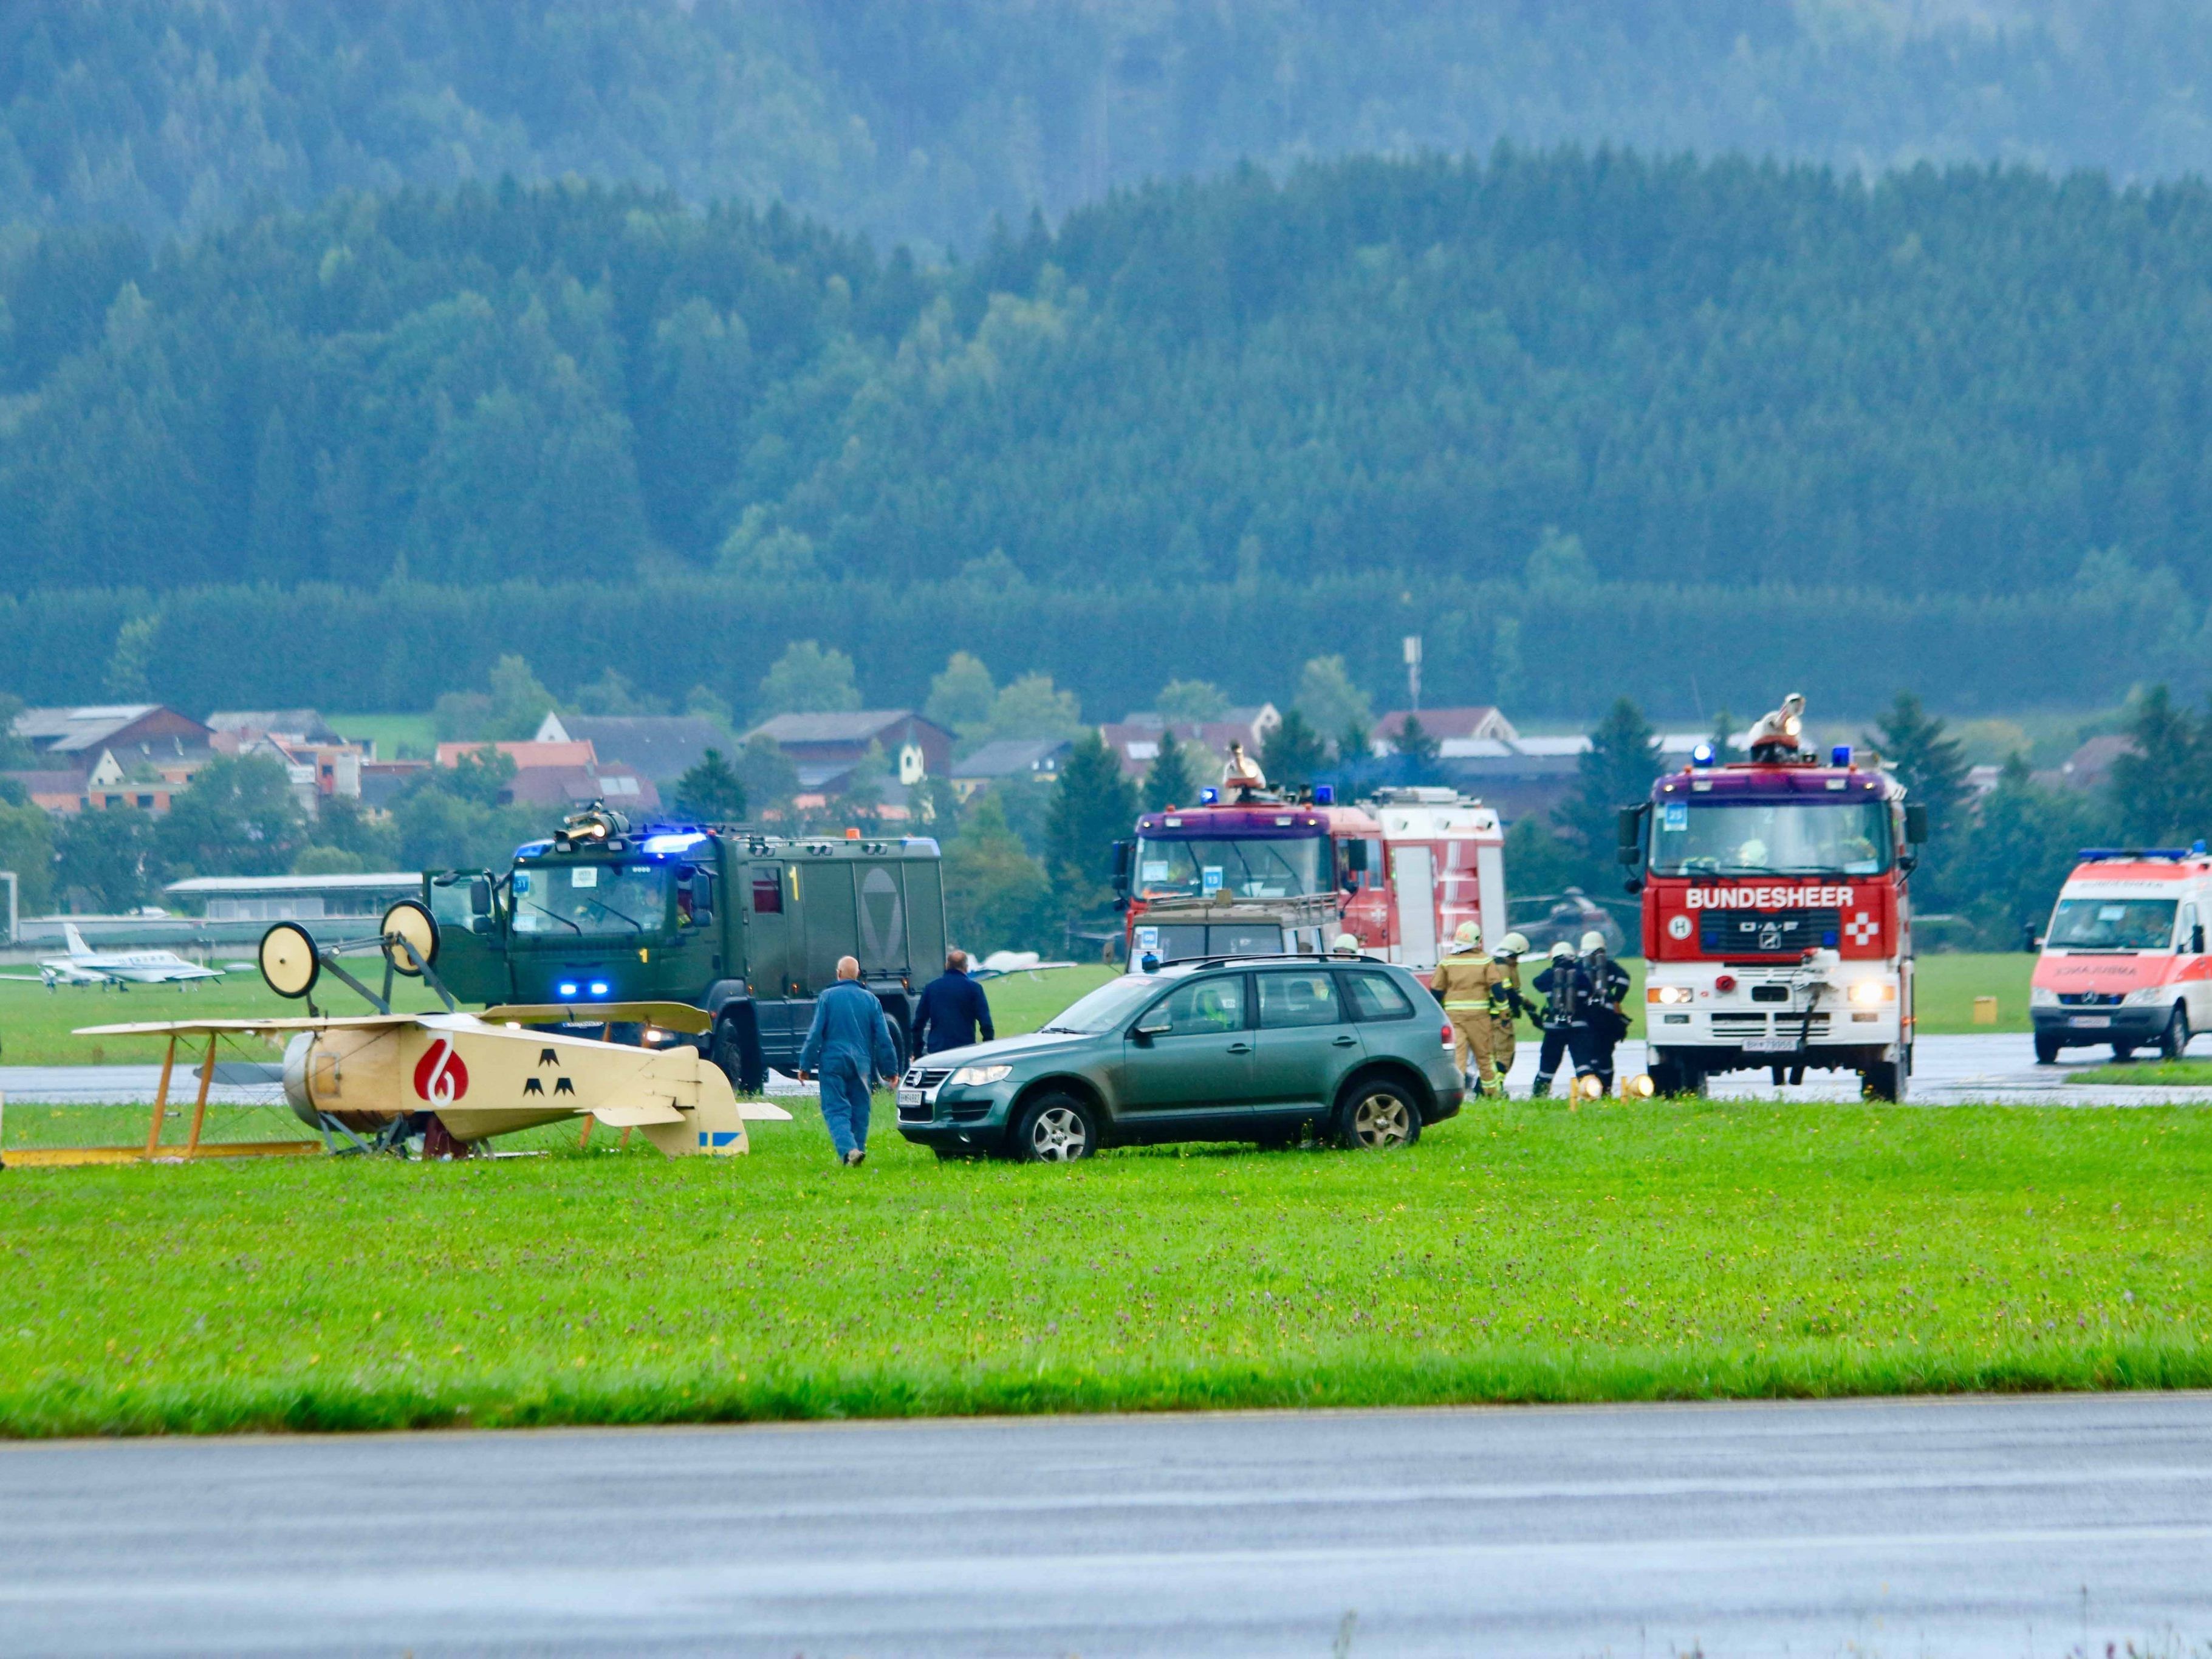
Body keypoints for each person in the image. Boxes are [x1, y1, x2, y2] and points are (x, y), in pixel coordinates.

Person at [798, 955, 899, 1166]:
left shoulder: (827, 997)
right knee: (860, 1109)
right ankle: (857, 1152)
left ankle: (849, 1150)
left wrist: (805, 1065)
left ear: (839, 973)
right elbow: (884, 1038)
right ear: (858, 975)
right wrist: (891, 1069)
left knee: (835, 1108)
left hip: (832, 1062)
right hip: (861, 1063)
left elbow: (815, 1033)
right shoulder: (871, 1000)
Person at [1430, 920, 1507, 1098]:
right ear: (1477, 940)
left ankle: (1456, 1097)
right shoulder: (1485, 961)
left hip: (1454, 1018)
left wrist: (1436, 1015)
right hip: (1479, 1019)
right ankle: (1493, 1094)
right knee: (1485, 1057)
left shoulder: (1447, 963)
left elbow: (1436, 991)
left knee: (1458, 1059)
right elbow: (1498, 990)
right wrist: (1504, 1013)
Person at [1530, 940, 1591, 1099]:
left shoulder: (1548, 976)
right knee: (1583, 1064)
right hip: (1578, 1028)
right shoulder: (1581, 976)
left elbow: (1536, 983)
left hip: (1554, 1028)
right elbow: (1590, 992)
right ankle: (1590, 1095)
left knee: (1548, 1065)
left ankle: (1540, 1096)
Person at [1578, 928, 1632, 1093]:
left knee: (1590, 1054)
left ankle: (1591, 1090)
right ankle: (1606, 1090)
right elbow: (1624, 979)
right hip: (1607, 1017)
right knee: (1606, 1054)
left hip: (1587, 1017)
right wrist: (1617, 1000)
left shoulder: (1580, 965)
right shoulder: (1610, 965)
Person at [911, 949, 996, 1055]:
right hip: (965, 1049)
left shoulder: (931, 988)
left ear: (947, 966)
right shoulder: (975, 989)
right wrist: (987, 1047)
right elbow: (986, 1023)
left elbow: (918, 1024)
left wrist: (918, 1052)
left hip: (937, 1050)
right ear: (966, 968)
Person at [1488, 931, 1533, 1085]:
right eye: (1517, 956)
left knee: (1493, 1055)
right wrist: (1523, 1005)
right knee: (1505, 1054)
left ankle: (1488, 1086)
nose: (1517, 961)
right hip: (1502, 1019)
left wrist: (1525, 1001)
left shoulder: (1492, 964)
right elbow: (1509, 993)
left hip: (1489, 1018)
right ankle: (1496, 1087)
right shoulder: (1503, 968)